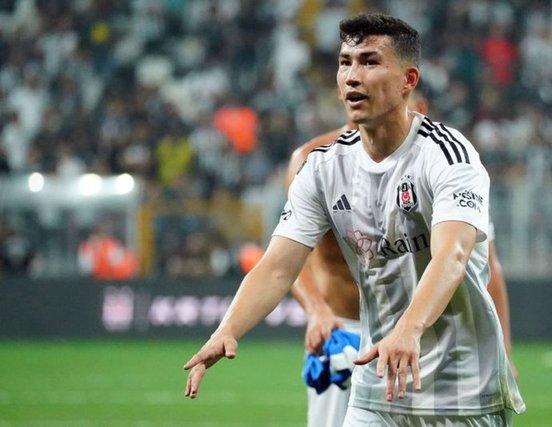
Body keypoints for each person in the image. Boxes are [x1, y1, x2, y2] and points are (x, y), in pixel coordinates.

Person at [184, 13, 525, 425]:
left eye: (370, 62)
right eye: (345, 62)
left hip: (461, 392)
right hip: (375, 385)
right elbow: (277, 267)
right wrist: (227, 329)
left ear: (409, 80)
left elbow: (451, 256)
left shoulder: (449, 156)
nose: (352, 76)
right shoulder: (322, 167)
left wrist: (409, 329)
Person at [287, 90, 517, 427]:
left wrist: (504, 350)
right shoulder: (313, 161)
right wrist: (316, 311)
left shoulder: (444, 166)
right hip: (342, 332)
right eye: (349, 68)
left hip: (422, 333)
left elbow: (482, 266)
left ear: (415, 105)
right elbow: (287, 258)